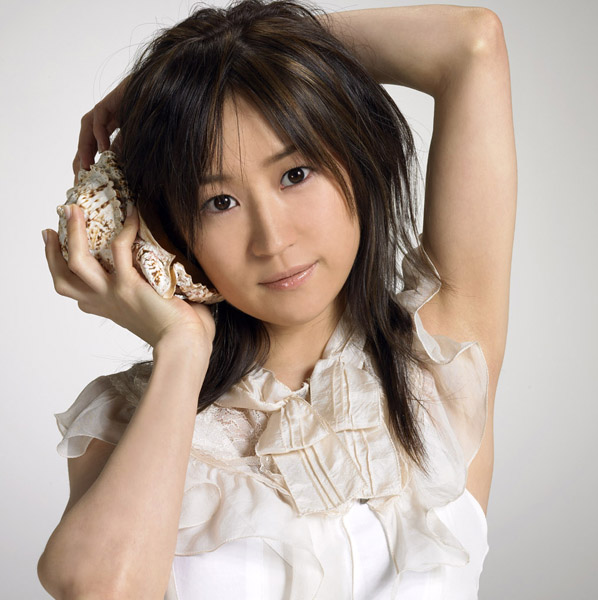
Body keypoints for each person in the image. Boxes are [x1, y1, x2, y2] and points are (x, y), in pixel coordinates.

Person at [39, 1, 516, 598]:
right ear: (174, 230)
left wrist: (216, 61)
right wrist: (182, 351)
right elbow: (97, 591)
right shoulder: (127, 420)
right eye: (220, 202)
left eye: (295, 174)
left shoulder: (442, 359)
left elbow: (470, 44)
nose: (273, 239)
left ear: (353, 160)